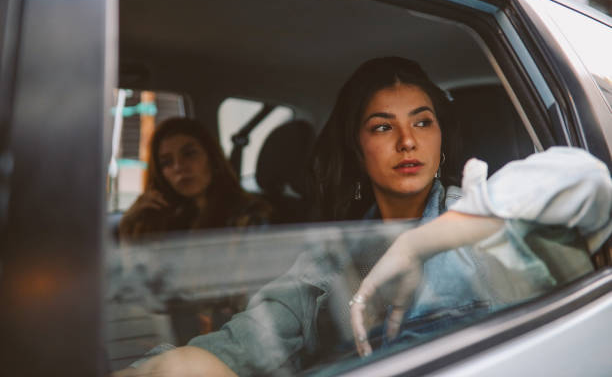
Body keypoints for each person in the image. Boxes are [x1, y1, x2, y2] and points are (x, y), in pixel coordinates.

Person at [113, 58, 612, 376]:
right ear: (357, 149)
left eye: (423, 121)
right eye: (382, 127)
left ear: (441, 141)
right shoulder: (328, 261)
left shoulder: (482, 211)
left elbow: (588, 177)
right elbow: (239, 346)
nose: (408, 141)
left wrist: (419, 244)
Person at [118, 117, 271, 242]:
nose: (178, 167)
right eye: (167, 162)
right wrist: (131, 221)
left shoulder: (248, 215)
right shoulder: (168, 217)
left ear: (212, 159)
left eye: (189, 154)